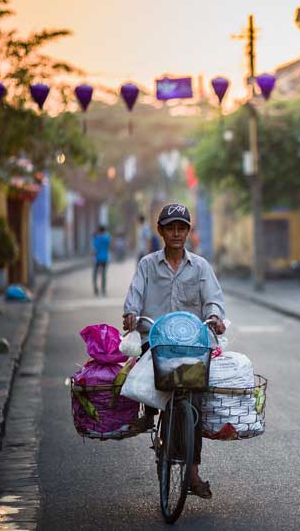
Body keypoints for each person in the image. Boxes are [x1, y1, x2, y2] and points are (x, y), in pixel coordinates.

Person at [122, 203, 227, 499]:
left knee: (193, 401)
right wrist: (131, 314)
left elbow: (213, 301)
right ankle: (153, 417)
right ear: (161, 232)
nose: (176, 233)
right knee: (158, 388)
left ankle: (192, 472)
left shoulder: (201, 267)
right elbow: (134, 297)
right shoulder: (147, 265)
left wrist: (216, 318)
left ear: (189, 232)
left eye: (182, 228)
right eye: (171, 228)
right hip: (156, 344)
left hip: (191, 347)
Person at [91, 225, 111, 296]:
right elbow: (109, 247)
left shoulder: (96, 238)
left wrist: (93, 256)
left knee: (95, 274)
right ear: (104, 230)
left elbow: (94, 250)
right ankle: (103, 289)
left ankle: (96, 288)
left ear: (99, 230)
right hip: (105, 258)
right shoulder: (107, 238)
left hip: (97, 258)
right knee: (103, 274)